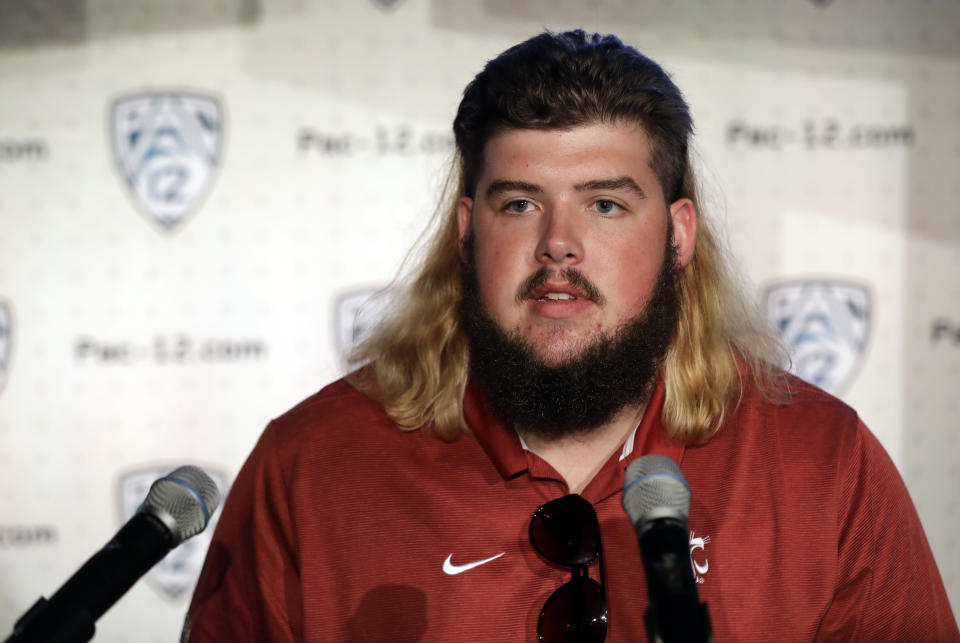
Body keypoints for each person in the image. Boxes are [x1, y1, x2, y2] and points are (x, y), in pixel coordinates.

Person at [182, 30, 958, 642]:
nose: (559, 244)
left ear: (679, 234)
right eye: (519, 204)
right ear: (466, 229)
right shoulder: (311, 466)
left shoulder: (824, 466)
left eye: (606, 205)